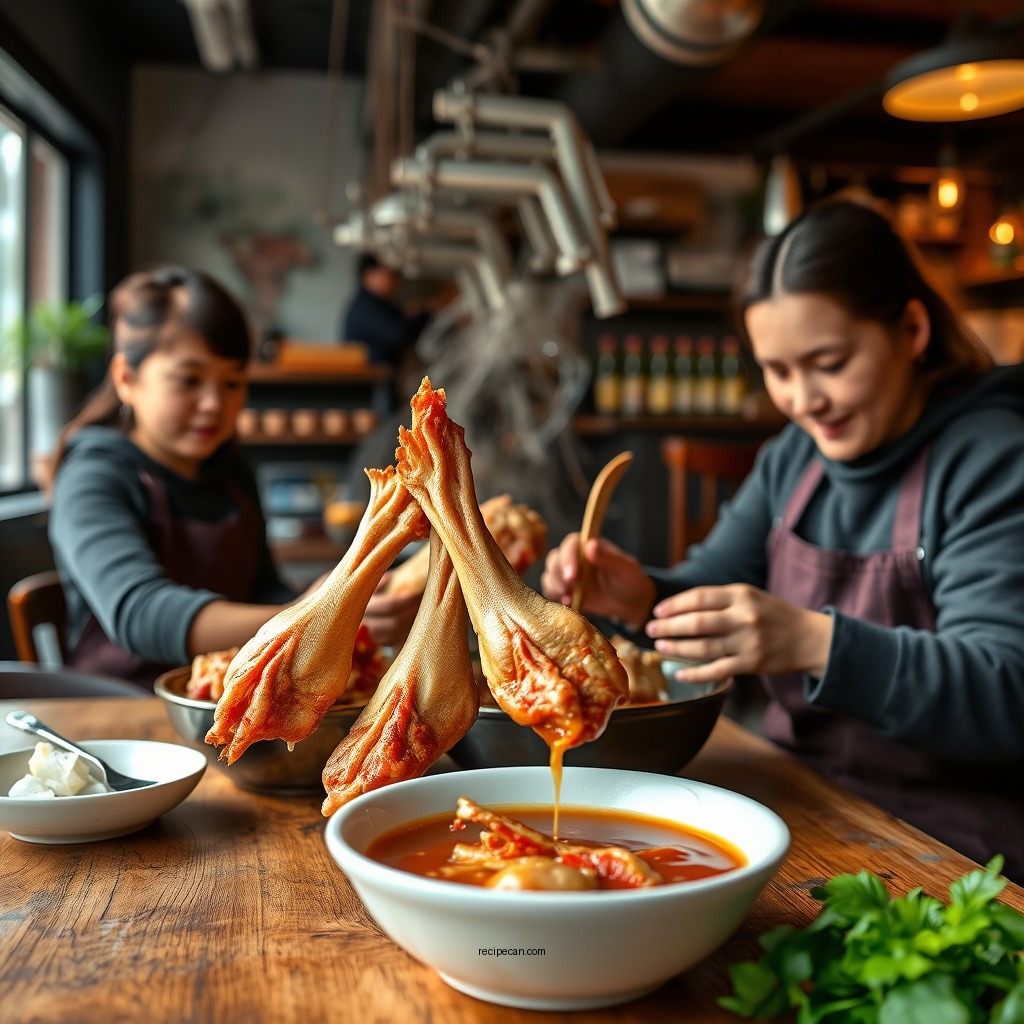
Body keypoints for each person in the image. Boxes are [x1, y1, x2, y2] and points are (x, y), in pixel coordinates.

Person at [541, 195, 1024, 882]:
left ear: (912, 329)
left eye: (829, 362)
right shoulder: (795, 457)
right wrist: (644, 593)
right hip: (807, 802)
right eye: (779, 370)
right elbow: (713, 587)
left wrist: (812, 642)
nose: (803, 399)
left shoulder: (994, 457)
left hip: (956, 847)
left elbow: (1006, 688)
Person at [47, 264, 419, 689]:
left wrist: (343, 603)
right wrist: (311, 613)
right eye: (189, 380)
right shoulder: (91, 475)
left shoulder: (230, 471)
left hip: (228, 703)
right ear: (127, 379)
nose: (213, 404)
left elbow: (264, 590)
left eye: (232, 383)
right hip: (118, 715)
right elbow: (141, 613)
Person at [340, 254, 432, 409]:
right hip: (373, 389)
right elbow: (398, 334)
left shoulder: (373, 302)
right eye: (391, 273)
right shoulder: (365, 306)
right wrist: (427, 313)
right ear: (371, 273)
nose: (397, 280)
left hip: (381, 384)